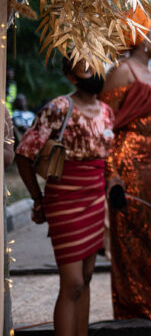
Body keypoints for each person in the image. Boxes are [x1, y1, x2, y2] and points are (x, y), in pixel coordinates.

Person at [16, 57, 114, 335]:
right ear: (71, 77)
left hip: (95, 200)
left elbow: (108, 160)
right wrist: (38, 198)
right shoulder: (59, 107)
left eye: (97, 65)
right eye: (86, 68)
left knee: (85, 278)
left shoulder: (107, 111)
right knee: (71, 283)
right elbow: (24, 153)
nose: (95, 72)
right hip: (64, 200)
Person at [100, 6, 151, 319]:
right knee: (129, 234)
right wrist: (111, 175)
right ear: (142, 37)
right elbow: (105, 125)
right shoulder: (122, 72)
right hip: (127, 160)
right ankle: (134, 305)